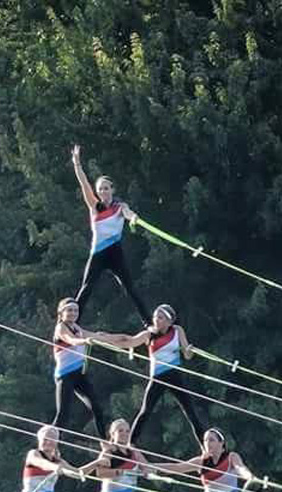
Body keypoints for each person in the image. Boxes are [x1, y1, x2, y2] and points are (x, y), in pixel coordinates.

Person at [70, 145, 150, 325]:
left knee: (130, 288)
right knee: (87, 287)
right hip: (98, 253)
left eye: (106, 188)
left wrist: (133, 218)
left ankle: (149, 323)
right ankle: (72, 323)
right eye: (100, 189)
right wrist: (77, 164)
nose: (103, 192)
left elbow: (128, 213)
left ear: (112, 190)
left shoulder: (119, 207)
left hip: (115, 253)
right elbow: (84, 184)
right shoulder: (94, 206)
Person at [105, 304, 205, 447]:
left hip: (175, 375)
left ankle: (204, 446)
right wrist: (107, 340)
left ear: (169, 321)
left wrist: (189, 350)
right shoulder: (149, 334)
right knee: (145, 411)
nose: (156, 320)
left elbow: (187, 355)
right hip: (158, 376)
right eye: (155, 317)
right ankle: (131, 444)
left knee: (190, 410)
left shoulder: (177, 330)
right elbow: (130, 342)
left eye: (160, 317)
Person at [51, 298, 122, 435]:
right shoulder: (61, 328)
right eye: (69, 310)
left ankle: (103, 442)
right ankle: (49, 441)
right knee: (63, 415)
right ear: (61, 313)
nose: (73, 313)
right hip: (65, 376)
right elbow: (71, 339)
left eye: (75, 311)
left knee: (97, 409)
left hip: (79, 375)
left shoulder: (77, 328)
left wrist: (120, 339)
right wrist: (84, 340)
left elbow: (97, 337)